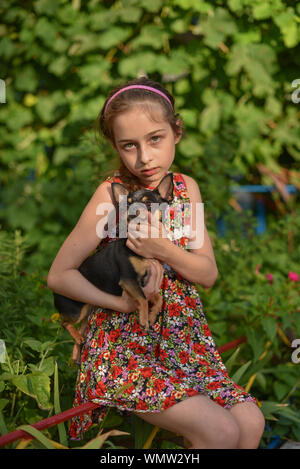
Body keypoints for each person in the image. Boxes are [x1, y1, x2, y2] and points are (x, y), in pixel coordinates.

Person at [47, 77, 265, 449]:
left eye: (155, 139)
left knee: (250, 422)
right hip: (123, 350)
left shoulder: (185, 188)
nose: (144, 157)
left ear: (176, 131)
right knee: (221, 431)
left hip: (185, 344)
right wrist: (119, 303)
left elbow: (207, 274)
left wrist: (163, 249)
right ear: (115, 146)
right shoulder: (110, 196)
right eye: (128, 145)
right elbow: (59, 275)